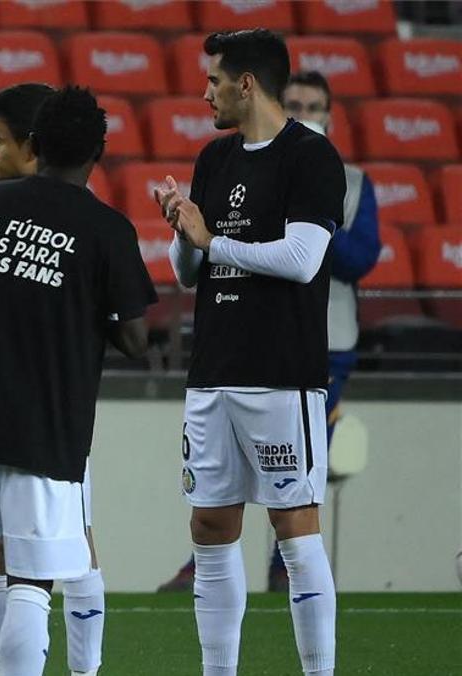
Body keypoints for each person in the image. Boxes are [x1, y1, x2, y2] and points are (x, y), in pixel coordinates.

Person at [0, 85, 156, 676]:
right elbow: (134, 339)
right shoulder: (107, 229)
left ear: (37, 143)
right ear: (96, 152)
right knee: (30, 583)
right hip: (48, 431)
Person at [153, 29, 344, 676]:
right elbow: (189, 271)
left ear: (247, 83)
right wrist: (183, 229)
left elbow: (301, 259)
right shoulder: (215, 158)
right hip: (214, 373)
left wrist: (210, 240)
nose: (205, 91)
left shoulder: (311, 156)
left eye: (213, 80)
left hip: (281, 372)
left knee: (294, 528)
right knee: (209, 526)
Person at [155, 70, 381, 595]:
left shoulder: (342, 177)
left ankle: (284, 572)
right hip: (222, 354)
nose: (304, 110)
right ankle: (206, 564)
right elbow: (192, 265)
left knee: (294, 503)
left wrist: (307, 222)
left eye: (314, 104)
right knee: (214, 507)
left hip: (319, 340)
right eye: (297, 100)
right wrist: (195, 232)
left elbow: (355, 256)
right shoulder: (218, 159)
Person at [0, 82, 115, 676]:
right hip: (9, 409)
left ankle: (84, 670)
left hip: (52, 417)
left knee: (73, 542)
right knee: (5, 552)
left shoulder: (78, 221)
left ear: (34, 146)